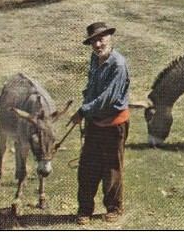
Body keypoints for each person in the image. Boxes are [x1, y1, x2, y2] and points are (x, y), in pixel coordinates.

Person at [70, 21, 130, 226]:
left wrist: (83, 110)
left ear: (109, 37)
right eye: (93, 40)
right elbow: (92, 88)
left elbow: (108, 97)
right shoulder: (94, 59)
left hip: (114, 123)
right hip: (95, 121)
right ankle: (85, 209)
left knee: (111, 167)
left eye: (101, 38)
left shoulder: (118, 64)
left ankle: (114, 207)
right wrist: (87, 101)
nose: (97, 44)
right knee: (87, 167)